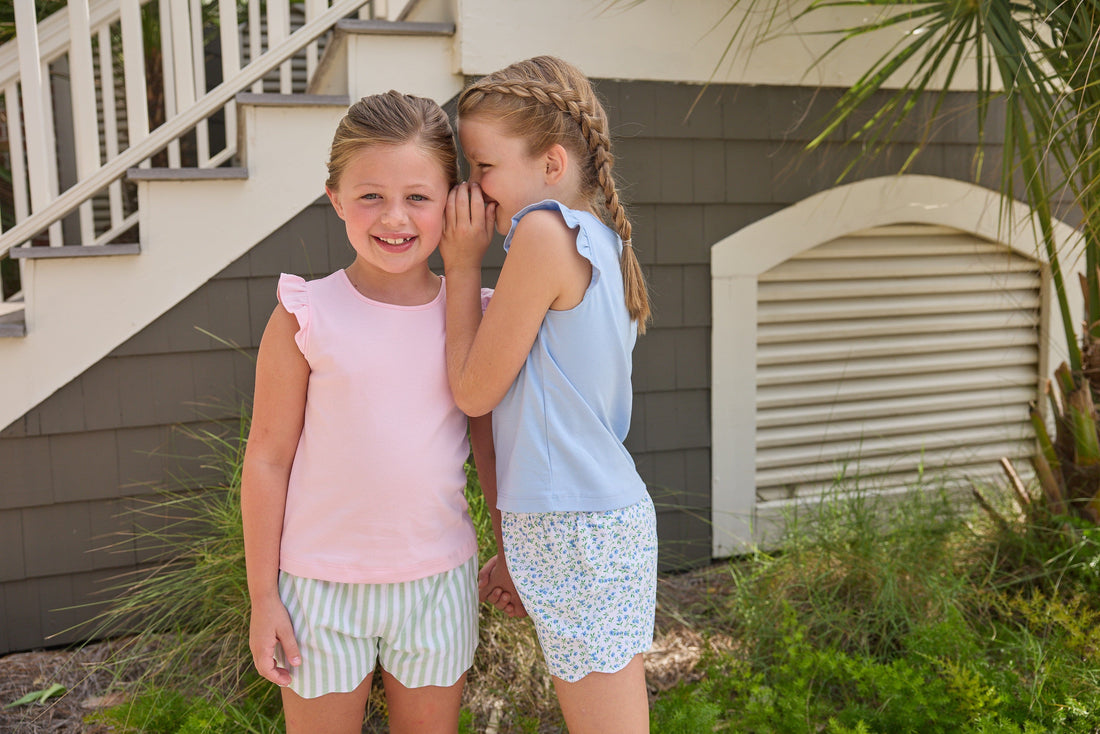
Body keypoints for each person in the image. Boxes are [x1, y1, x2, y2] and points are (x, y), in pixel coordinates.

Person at [240, 91, 503, 734]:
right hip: (317, 589)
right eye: (370, 196)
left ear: (454, 202)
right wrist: (264, 598)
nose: (394, 217)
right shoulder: (305, 315)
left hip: (437, 582)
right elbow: (267, 460)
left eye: (418, 196)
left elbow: (493, 448)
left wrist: (508, 549)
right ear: (335, 198)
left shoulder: (473, 315)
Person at [441, 56, 658, 734]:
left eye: (483, 166)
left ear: (552, 163)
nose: (471, 188)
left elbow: (473, 391)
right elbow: (531, 416)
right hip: (579, 521)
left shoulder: (544, 232)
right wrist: (514, 547)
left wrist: (460, 264)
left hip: (579, 529)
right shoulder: (600, 241)